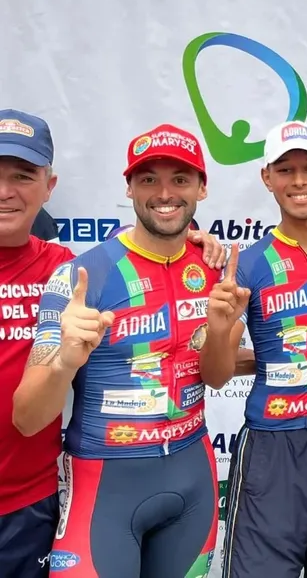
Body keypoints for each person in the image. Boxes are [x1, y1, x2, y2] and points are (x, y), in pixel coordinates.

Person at [12, 124, 228, 578]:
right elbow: (28, 418)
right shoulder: (79, 277)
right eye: (148, 179)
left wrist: (223, 332)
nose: (164, 193)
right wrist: (65, 361)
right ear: (128, 187)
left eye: (180, 179)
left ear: (202, 189)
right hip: (103, 487)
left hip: (193, 478)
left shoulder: (214, 268)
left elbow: (217, 376)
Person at [199, 120, 307, 578]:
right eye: (285, 169)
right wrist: (219, 328)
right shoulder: (249, 264)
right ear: (267, 178)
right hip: (272, 448)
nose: (299, 181)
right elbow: (215, 376)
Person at [0, 110, 73, 577]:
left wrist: (194, 242)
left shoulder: (63, 267)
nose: (5, 192)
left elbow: (145, 258)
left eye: (23, 176)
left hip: (29, 505)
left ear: (49, 186)